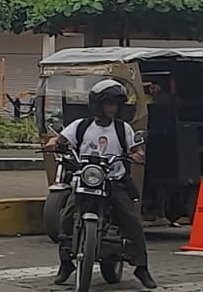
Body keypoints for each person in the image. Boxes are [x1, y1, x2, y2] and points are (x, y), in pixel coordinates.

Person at [47, 79, 153, 289]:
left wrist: (137, 154)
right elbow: (60, 140)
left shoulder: (123, 129)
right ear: (98, 105)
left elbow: (135, 150)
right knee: (66, 217)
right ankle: (66, 263)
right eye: (109, 104)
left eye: (115, 104)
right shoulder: (81, 126)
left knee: (132, 221)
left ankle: (141, 267)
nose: (112, 108)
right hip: (85, 180)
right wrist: (53, 143)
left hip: (114, 182)